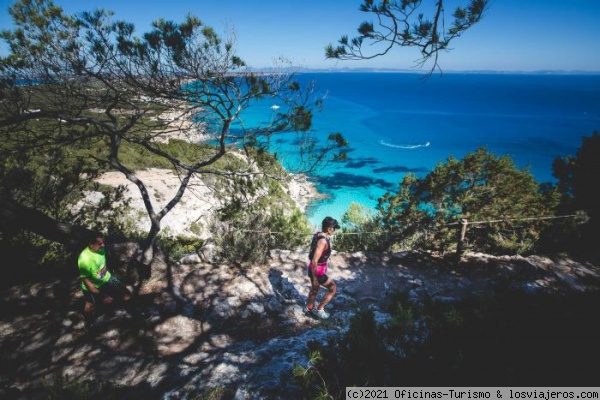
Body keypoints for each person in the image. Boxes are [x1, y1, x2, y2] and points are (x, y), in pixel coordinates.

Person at [77, 233, 132, 326]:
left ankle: (134, 313)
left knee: (126, 293)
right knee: (89, 304)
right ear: (91, 244)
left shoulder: (100, 249)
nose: (103, 245)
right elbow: (86, 282)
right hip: (93, 286)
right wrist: (102, 295)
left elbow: (103, 264)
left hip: (107, 278)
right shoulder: (84, 259)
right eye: (100, 243)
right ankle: (89, 324)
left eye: (103, 242)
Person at [306, 216, 340, 319]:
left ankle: (309, 308)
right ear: (329, 229)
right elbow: (315, 260)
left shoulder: (317, 235)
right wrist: (316, 279)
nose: (334, 230)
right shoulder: (323, 242)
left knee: (314, 290)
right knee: (333, 288)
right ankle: (319, 309)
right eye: (334, 228)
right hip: (317, 271)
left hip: (312, 269)